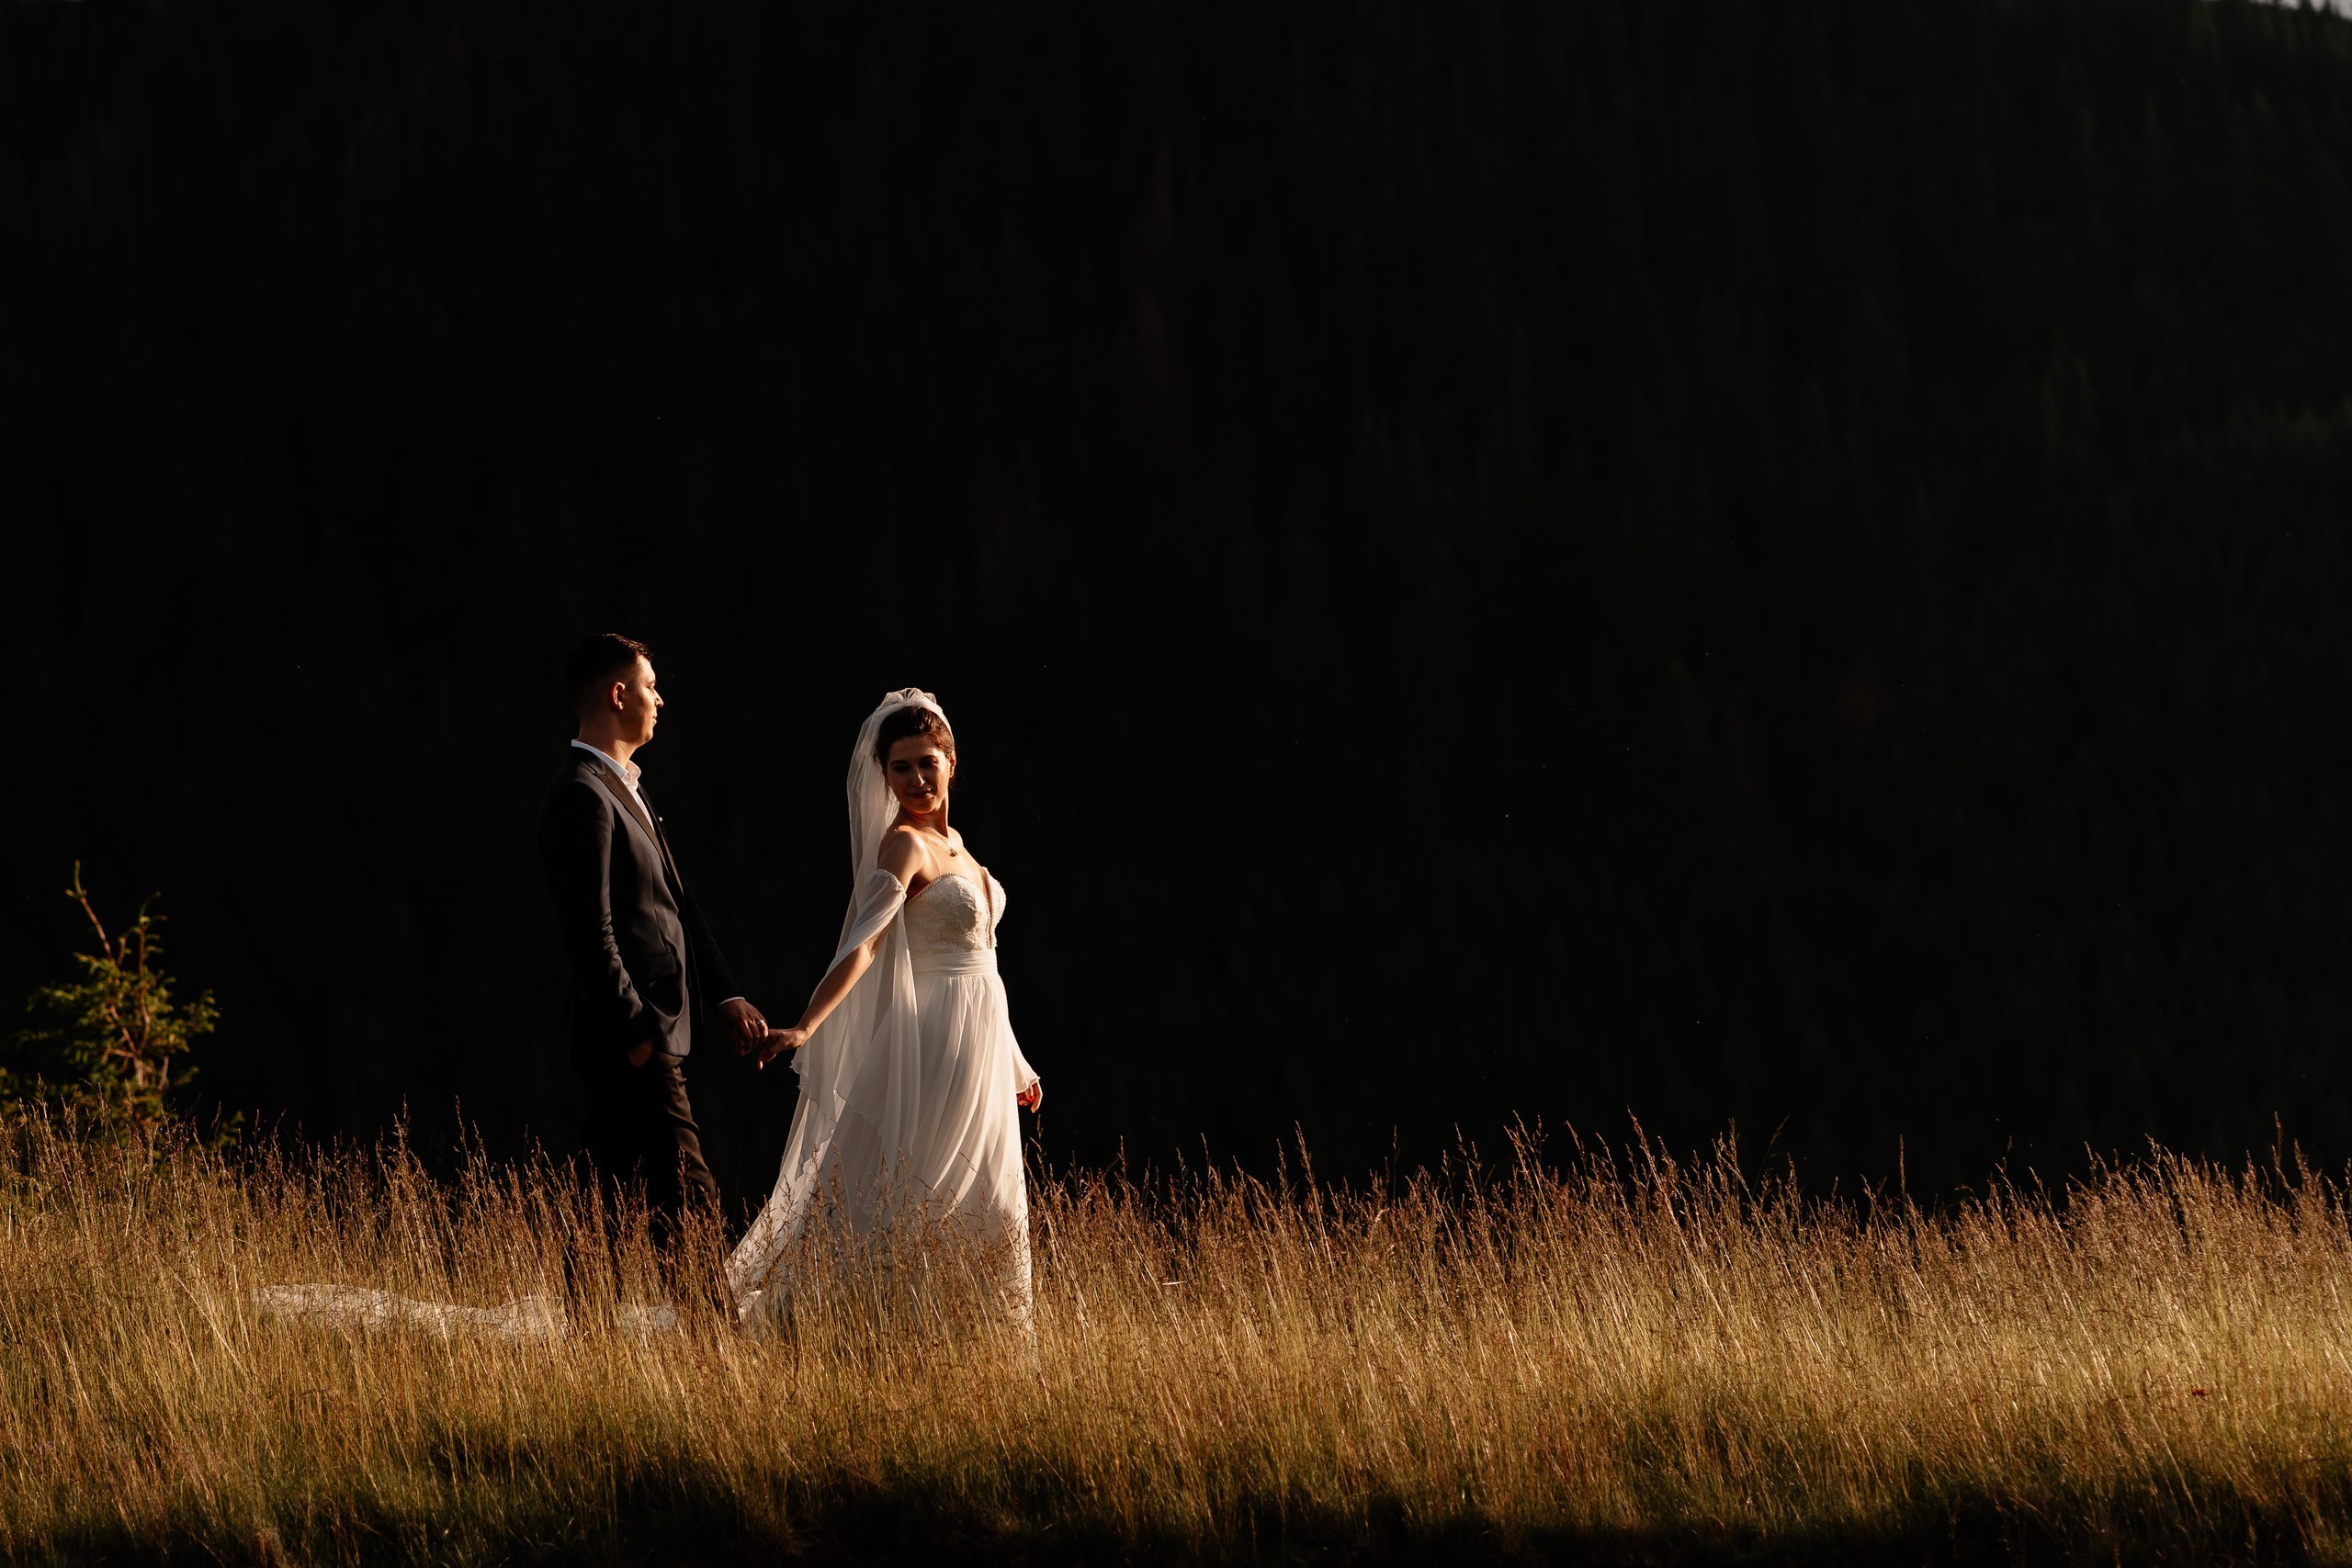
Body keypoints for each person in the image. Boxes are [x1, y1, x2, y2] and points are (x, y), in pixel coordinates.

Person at [727, 688, 1043, 1323]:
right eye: (901, 768)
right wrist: (806, 1026)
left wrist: (1015, 1062)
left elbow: (984, 965)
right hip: (931, 1045)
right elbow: (865, 944)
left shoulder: (961, 846)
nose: (916, 779)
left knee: (988, 1197)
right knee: (909, 1193)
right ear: (886, 776)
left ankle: (974, 1341)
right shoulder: (904, 845)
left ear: (952, 761)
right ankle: (848, 1327)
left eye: (927, 762)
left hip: (982, 1051)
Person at [537, 633, 767, 1280]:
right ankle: (713, 1339)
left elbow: (679, 906)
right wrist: (639, 1033)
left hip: (643, 1034)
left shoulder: (624, 787)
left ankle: (591, 1333)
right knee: (689, 1199)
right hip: (632, 1038)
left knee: (606, 1209)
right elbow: (591, 932)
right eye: (650, 686)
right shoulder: (582, 793)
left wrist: (724, 994)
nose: (660, 699)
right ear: (618, 694)